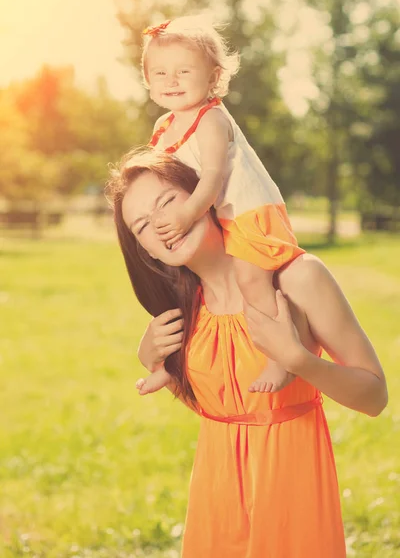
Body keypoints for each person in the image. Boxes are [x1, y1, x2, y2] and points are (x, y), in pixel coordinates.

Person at [106, 150, 387, 558]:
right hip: (217, 500)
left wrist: (299, 360)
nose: (162, 225)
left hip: (291, 493)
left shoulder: (298, 278)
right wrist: (157, 363)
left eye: (167, 202)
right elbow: (230, 411)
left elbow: (375, 397)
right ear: (144, 250)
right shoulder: (187, 309)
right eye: (143, 226)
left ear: (205, 195)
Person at [141, 14, 305, 393]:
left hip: (248, 211)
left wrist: (185, 214)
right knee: (181, 286)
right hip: (212, 220)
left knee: (251, 279)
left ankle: (282, 356)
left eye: (184, 70)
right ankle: (174, 362)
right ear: (148, 81)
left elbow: (212, 179)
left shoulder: (211, 118)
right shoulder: (164, 128)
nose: (172, 81)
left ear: (214, 78)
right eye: (160, 73)